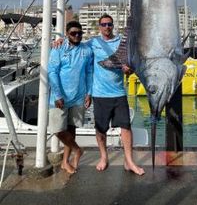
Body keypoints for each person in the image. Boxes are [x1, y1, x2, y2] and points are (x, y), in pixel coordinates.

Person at [54, 14, 144, 175]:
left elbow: (133, 64)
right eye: (103, 24)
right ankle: (104, 157)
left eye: (109, 24)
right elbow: (75, 41)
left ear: (113, 25)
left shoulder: (122, 43)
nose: (107, 27)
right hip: (100, 94)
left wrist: (129, 70)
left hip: (119, 92)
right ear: (99, 26)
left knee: (126, 127)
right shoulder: (92, 43)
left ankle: (129, 161)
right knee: (100, 129)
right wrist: (60, 39)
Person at [48, 20, 93, 174]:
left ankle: (65, 162)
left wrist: (89, 93)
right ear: (67, 34)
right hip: (59, 97)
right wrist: (58, 94)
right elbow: (52, 72)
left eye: (79, 33)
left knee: (72, 129)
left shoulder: (86, 50)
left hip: (78, 96)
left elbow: (89, 72)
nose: (77, 36)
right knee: (58, 130)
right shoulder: (58, 48)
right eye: (73, 33)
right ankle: (77, 149)